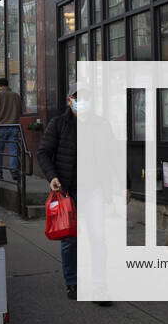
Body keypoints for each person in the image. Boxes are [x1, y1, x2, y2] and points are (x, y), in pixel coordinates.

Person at [36, 85, 112, 306]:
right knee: (70, 239)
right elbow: (43, 153)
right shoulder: (59, 124)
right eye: (78, 99)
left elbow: (112, 154)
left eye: (87, 99)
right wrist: (52, 177)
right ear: (70, 100)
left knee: (98, 238)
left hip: (94, 189)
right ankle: (73, 282)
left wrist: (122, 186)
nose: (82, 103)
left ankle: (99, 286)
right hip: (68, 191)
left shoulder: (101, 125)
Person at [0, 78, 23, 180]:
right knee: (14, 150)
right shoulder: (16, 95)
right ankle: (14, 169)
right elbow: (20, 110)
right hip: (14, 126)